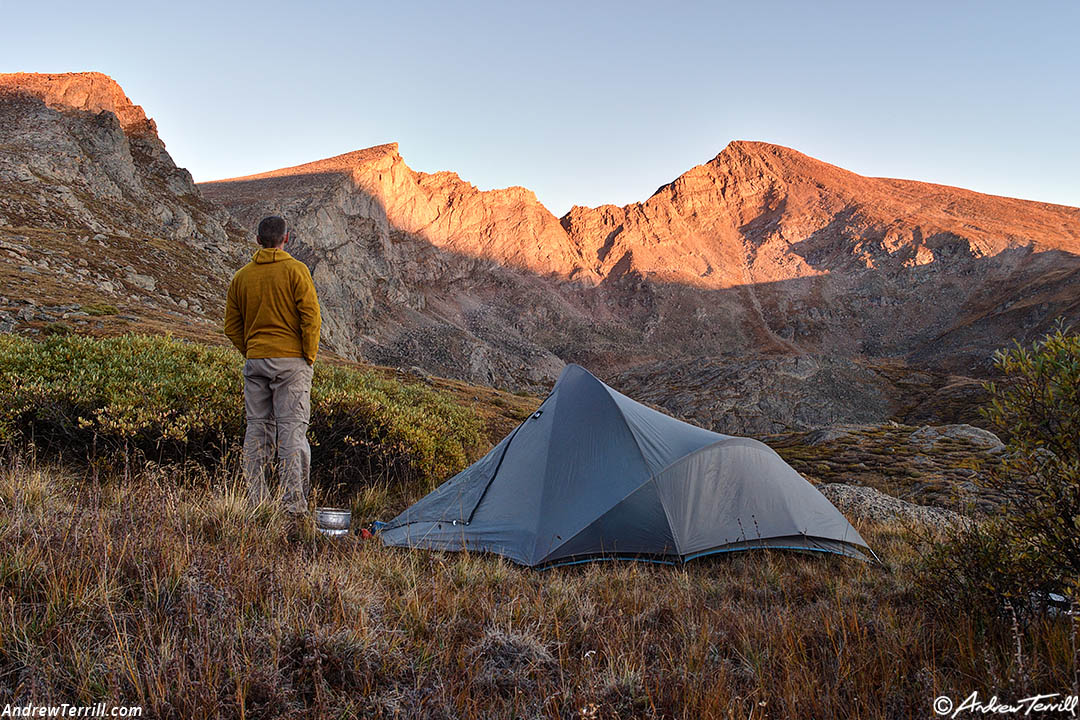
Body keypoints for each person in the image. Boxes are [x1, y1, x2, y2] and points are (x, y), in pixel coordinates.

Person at [224, 215, 321, 516]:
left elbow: (231, 325)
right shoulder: (296, 270)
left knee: (257, 430)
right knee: (292, 431)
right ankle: (292, 507)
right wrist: (308, 356)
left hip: (255, 362)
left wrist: (251, 350)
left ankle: (257, 503)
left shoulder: (242, 277)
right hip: (292, 363)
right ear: (286, 238)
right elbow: (311, 317)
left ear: (257, 241)